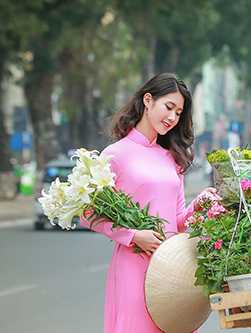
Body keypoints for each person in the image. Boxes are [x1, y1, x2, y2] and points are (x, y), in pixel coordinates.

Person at [81, 73, 218, 332]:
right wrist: (134, 235)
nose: (172, 118)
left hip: (170, 268)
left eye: (178, 113)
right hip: (134, 262)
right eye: (169, 107)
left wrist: (197, 206)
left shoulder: (172, 158)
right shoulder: (115, 155)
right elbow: (89, 214)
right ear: (148, 100)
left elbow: (176, 222)